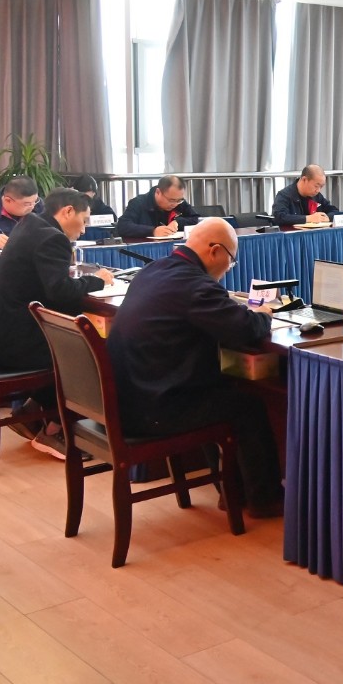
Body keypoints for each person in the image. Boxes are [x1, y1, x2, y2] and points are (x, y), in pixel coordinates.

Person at [105, 218, 283, 518]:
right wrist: (264, 313)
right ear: (215, 251)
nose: (229, 268)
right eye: (231, 260)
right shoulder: (193, 285)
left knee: (220, 389)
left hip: (129, 399)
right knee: (246, 405)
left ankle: (232, 490)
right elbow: (244, 329)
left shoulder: (154, 270)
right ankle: (263, 500)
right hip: (155, 411)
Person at [0, 188, 115, 453]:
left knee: (73, 343)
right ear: (67, 212)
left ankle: (29, 414)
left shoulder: (30, 224)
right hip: (18, 344)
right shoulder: (52, 238)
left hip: (1, 334)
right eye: (83, 221)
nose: (84, 230)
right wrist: (97, 280)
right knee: (88, 355)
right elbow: (60, 291)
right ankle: (55, 430)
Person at [117, 175, 199, 240]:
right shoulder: (138, 203)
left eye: (179, 200)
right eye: (171, 200)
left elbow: (195, 219)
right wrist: (152, 231)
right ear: (158, 192)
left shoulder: (179, 202)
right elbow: (123, 226)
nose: (175, 204)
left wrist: (178, 222)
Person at [271, 165, 337, 225]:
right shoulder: (284, 195)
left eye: (321, 187)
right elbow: (279, 217)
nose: (318, 190)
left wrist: (327, 217)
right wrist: (308, 218)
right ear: (304, 179)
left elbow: (334, 210)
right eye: (316, 186)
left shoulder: (316, 196)